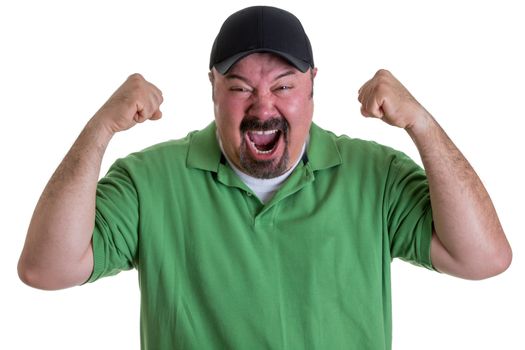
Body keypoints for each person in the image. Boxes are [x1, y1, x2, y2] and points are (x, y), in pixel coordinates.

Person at [18, 5, 511, 350]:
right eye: (239, 87)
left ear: (313, 84)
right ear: (212, 87)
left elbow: (484, 258)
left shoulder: (374, 175)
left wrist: (421, 123)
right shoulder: (151, 181)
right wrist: (100, 128)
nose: (263, 107)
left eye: (283, 86)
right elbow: (46, 269)